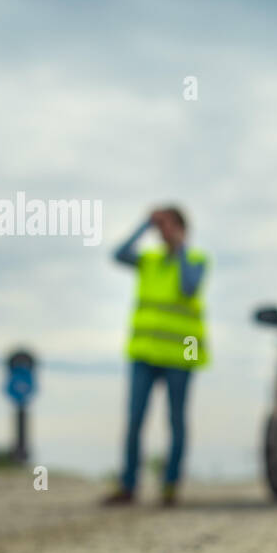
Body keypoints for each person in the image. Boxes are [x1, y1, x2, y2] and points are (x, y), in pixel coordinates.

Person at [102, 207, 209, 506]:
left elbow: (189, 287)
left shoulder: (196, 260)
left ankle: (170, 485)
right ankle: (128, 485)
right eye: (161, 227)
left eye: (168, 226)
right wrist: (144, 226)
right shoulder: (149, 261)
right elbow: (118, 254)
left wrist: (180, 245)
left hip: (180, 355)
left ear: (182, 229)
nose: (163, 231)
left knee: (176, 421)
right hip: (145, 354)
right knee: (135, 420)